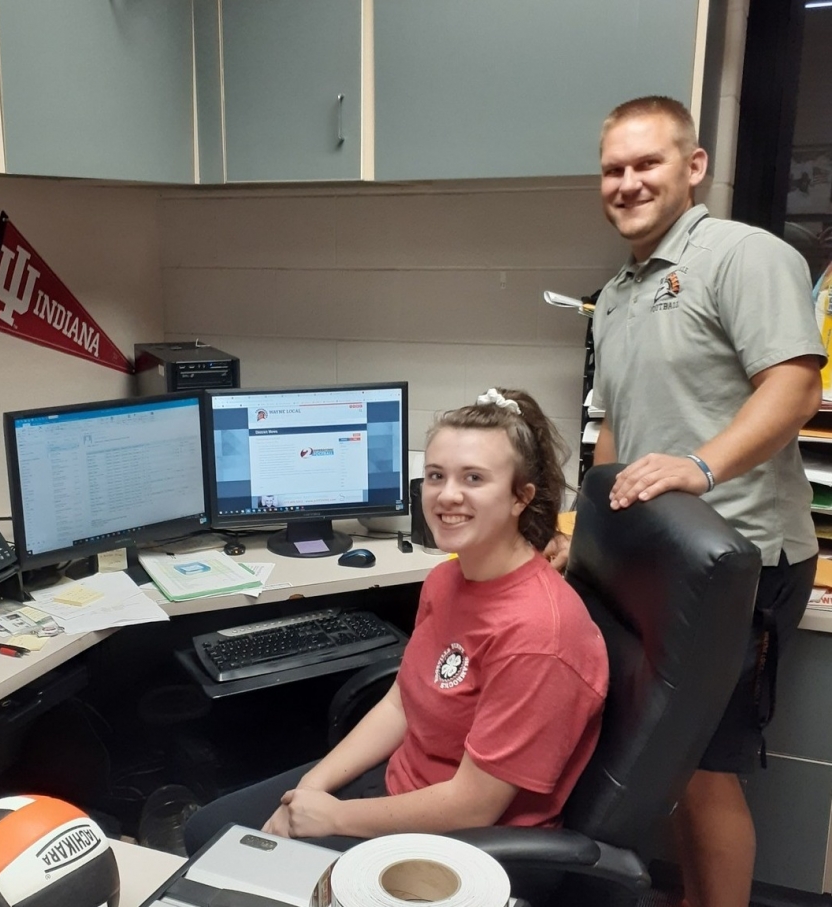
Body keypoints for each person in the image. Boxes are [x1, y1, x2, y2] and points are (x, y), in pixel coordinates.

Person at [183, 388, 609, 860]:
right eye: (435, 476)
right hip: (398, 787)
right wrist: (311, 788)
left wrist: (333, 818)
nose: (448, 495)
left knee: (232, 862)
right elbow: (401, 704)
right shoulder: (448, 577)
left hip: (467, 844)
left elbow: (475, 806)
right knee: (208, 832)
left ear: (519, 498)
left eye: (474, 478)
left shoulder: (539, 636)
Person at [581, 96, 826, 907]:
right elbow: (617, 421)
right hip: (660, 561)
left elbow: (792, 388)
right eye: (614, 168)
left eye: (646, 163)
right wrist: (585, 533)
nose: (627, 182)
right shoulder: (616, 292)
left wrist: (700, 465)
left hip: (741, 560)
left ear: (694, 168)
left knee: (708, 768)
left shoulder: (743, 256)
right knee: (672, 763)